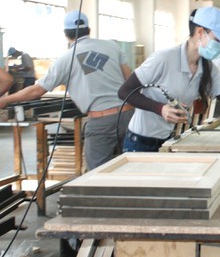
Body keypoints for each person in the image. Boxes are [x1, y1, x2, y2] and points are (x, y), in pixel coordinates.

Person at [118, 7, 220, 154]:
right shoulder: (164, 59)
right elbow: (124, 92)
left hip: (166, 140)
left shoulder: (207, 68)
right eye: (217, 40)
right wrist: (160, 108)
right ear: (200, 32)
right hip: (139, 142)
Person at [0, 11, 133, 170]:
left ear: (65, 34)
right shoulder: (112, 46)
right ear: (88, 29)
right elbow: (130, 79)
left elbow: (36, 91)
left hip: (102, 122)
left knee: (98, 175)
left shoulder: (65, 59)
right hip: (129, 115)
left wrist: (5, 100)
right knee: (129, 166)